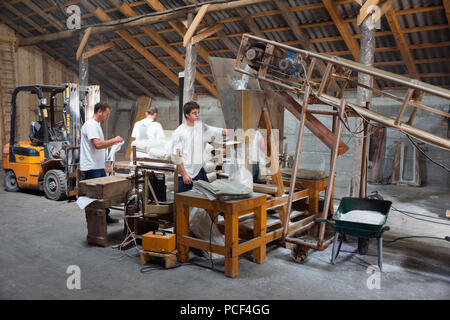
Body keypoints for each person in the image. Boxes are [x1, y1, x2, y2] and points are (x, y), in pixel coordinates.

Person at [80, 102, 124, 223]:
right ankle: (94, 220)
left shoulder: (97, 125)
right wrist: (113, 140)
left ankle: (104, 217)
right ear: (99, 111)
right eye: (107, 114)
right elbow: (97, 144)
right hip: (91, 167)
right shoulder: (91, 125)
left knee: (103, 194)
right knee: (94, 196)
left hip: (97, 166)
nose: (107, 116)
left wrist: (112, 144)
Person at [170, 101, 226, 192]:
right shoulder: (179, 132)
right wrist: (184, 174)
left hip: (199, 171)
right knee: (183, 203)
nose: (197, 115)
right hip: (186, 173)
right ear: (187, 115)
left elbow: (218, 131)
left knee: (208, 199)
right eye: (194, 113)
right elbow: (176, 155)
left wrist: (238, 133)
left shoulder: (201, 127)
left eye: (198, 112)